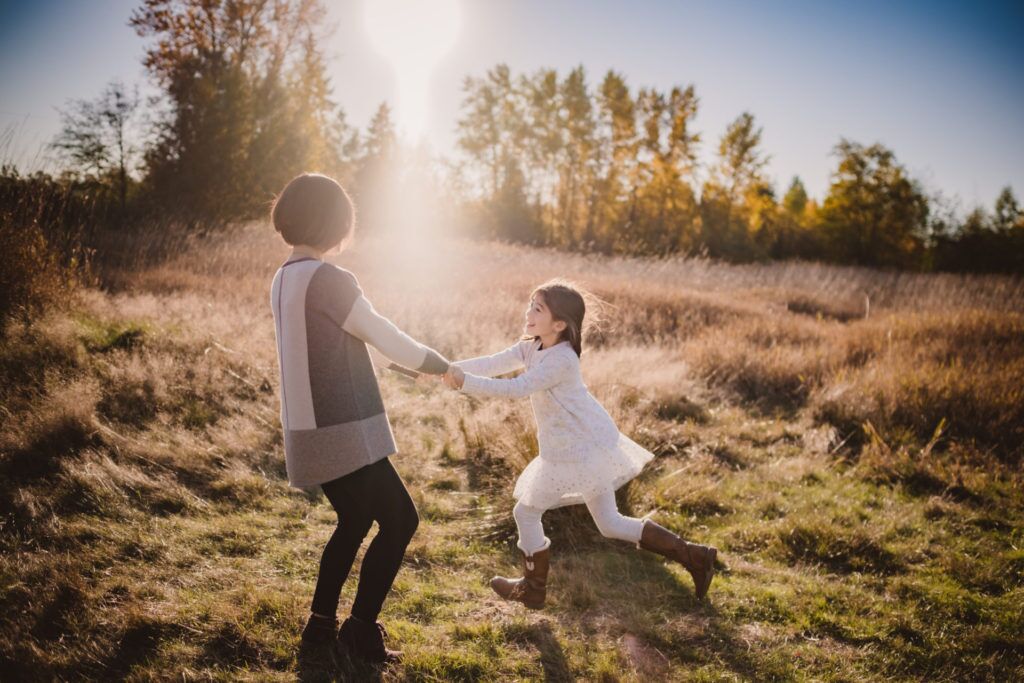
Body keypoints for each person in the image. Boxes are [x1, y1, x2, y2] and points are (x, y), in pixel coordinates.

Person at [440, 279, 718, 608]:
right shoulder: (531, 346)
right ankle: (696, 556)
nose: (528, 311)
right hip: (578, 446)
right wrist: (444, 369)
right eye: (530, 303)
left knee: (526, 513)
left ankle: (533, 589)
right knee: (610, 523)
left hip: (580, 450)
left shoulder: (562, 360)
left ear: (559, 324)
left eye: (538, 308)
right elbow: (493, 362)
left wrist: (464, 383)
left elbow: (518, 387)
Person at [268, 173, 450, 663]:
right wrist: (438, 365)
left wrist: (403, 367)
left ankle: (320, 630)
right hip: (342, 428)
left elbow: (335, 342)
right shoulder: (329, 279)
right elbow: (380, 332)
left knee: (353, 521)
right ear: (333, 223)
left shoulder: (284, 277)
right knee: (400, 520)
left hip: (308, 429)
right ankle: (360, 631)